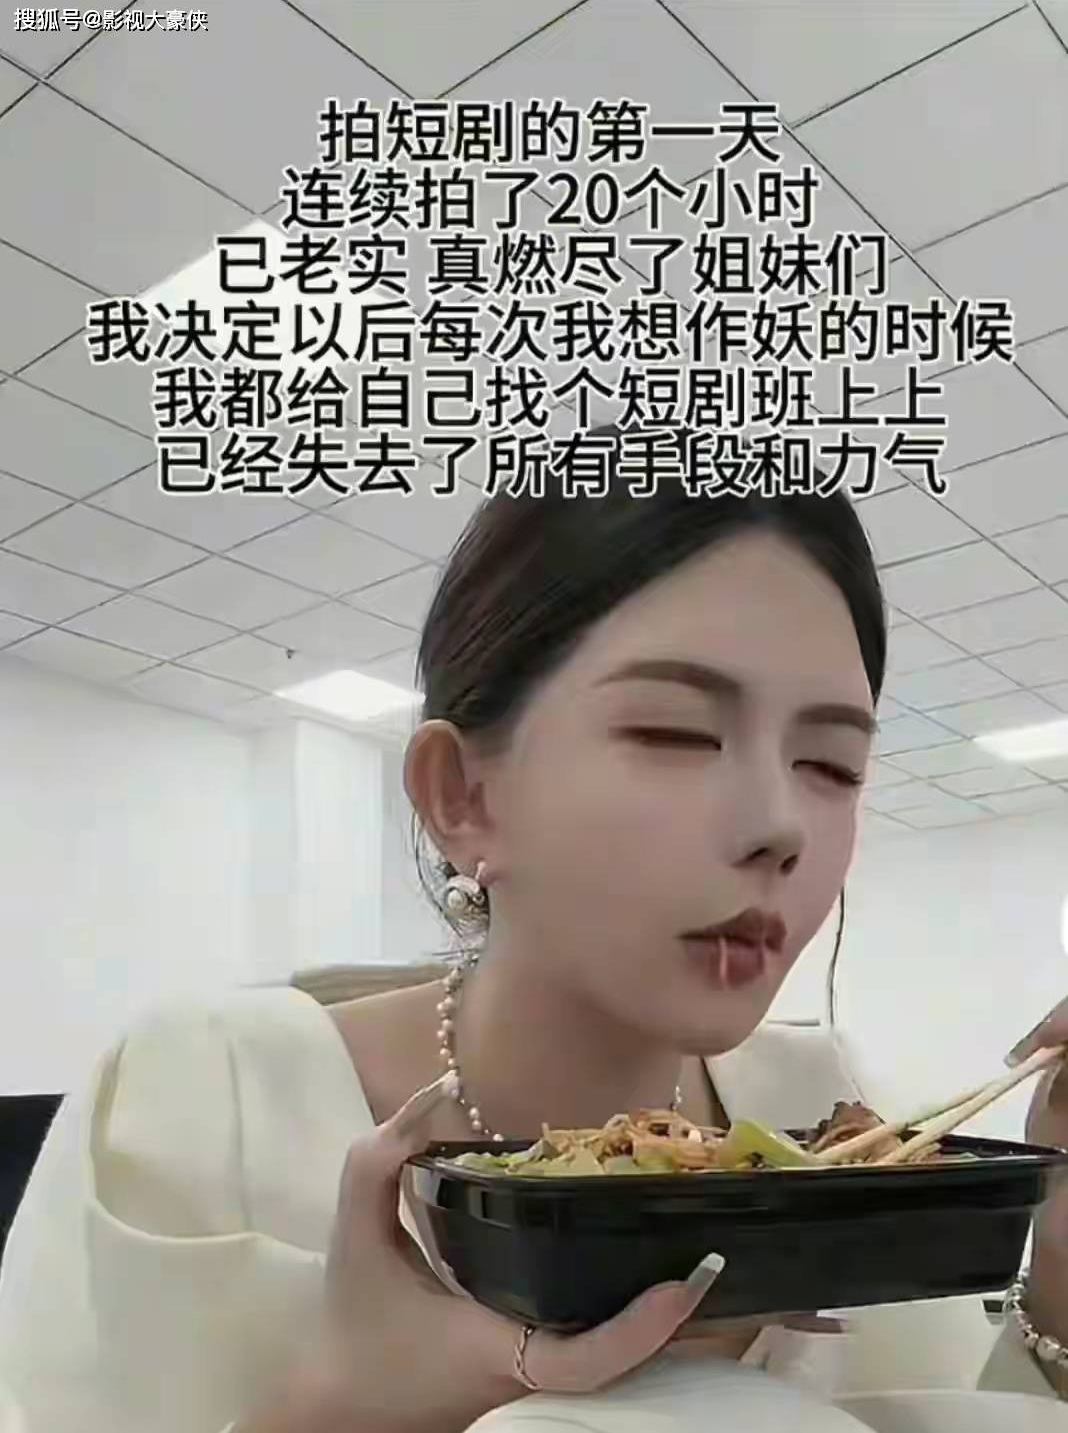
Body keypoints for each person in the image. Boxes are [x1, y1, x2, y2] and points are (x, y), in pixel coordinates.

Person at [3, 429, 1068, 1433]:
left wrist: (1059, 1276)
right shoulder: (202, 1100)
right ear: (462, 795)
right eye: (675, 732)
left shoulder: (835, 1120)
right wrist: (337, 1406)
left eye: (832, 765)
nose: (781, 825)